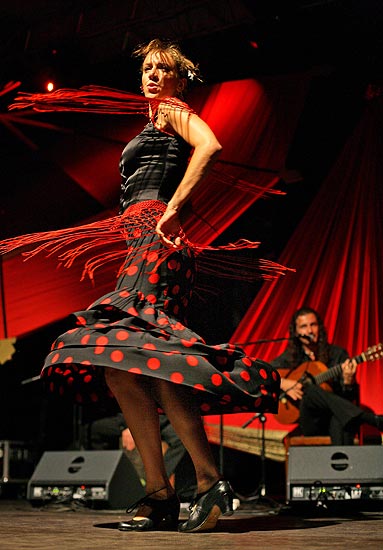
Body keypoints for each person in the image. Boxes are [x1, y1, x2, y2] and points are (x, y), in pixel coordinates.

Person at [2, 39, 281, 532]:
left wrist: (172, 209)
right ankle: (159, 492)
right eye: (148, 68)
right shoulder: (151, 121)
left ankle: (210, 480)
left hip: (159, 242)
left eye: (163, 69)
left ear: (178, 80)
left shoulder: (173, 110)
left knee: (153, 360)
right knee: (122, 366)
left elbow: (211, 145)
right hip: (140, 245)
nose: (153, 75)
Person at [271, 306, 383, 445]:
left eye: (313, 325)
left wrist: (348, 381)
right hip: (310, 421)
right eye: (304, 326)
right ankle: (370, 419)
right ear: (296, 332)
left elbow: (348, 399)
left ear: (320, 327)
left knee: (341, 420)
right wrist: (284, 383)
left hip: (336, 416)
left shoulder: (337, 355)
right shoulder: (290, 358)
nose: (309, 330)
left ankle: (342, 464)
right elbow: (265, 376)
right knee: (310, 391)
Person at [87, 411, 196, 501]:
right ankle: (100, 485)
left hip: (157, 417)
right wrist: (129, 425)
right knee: (93, 430)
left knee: (182, 439)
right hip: (128, 415)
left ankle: (157, 484)